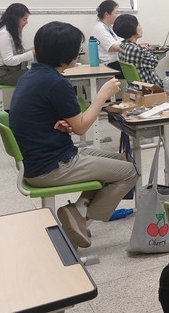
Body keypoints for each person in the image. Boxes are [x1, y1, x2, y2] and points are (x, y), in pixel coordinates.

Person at [9, 21, 139, 249]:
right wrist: (102, 95)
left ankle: (77, 212)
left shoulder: (30, 76)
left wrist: (58, 122)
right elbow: (81, 128)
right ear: (67, 55)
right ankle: (81, 217)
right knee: (130, 172)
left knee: (119, 161)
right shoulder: (56, 82)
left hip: (40, 158)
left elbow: (42, 115)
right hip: (51, 166)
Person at [0, 3, 34, 86]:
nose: (26, 22)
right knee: (40, 76)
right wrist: (32, 53)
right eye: (24, 19)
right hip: (4, 74)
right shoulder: (3, 34)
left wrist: (34, 49)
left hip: (11, 70)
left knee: (41, 73)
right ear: (15, 19)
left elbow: (19, 52)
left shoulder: (13, 30)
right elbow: (9, 61)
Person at [91, 0, 125, 78]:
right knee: (139, 68)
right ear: (107, 14)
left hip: (117, 62)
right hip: (109, 65)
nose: (117, 16)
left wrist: (137, 45)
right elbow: (113, 47)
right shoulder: (100, 28)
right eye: (116, 13)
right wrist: (133, 47)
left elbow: (122, 42)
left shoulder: (109, 27)